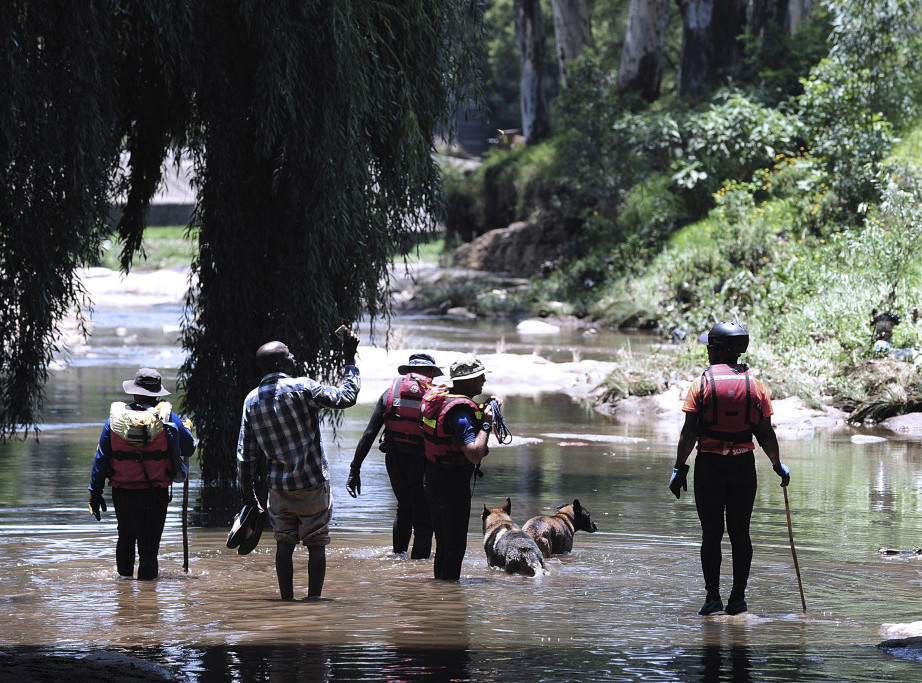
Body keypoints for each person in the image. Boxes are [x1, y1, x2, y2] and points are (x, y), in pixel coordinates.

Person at [670, 321, 790, 616]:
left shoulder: (701, 385)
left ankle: (713, 599)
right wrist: (776, 464)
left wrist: (679, 468)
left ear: (720, 350)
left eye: (710, 346)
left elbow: (689, 434)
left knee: (711, 534)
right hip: (743, 468)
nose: (707, 351)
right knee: (741, 533)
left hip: (710, 466)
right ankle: (737, 600)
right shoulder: (757, 386)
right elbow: (765, 433)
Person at [237, 331, 360, 600]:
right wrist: (349, 359)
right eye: (289, 354)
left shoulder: (251, 400)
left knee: (284, 541)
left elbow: (246, 455)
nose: (294, 357)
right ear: (281, 364)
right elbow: (347, 397)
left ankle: (287, 601)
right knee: (316, 542)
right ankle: (315, 600)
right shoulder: (303, 387)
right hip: (312, 483)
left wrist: (249, 495)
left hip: (278, 488)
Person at [87, 368, 196, 580]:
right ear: (157, 394)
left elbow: (101, 457)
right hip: (155, 493)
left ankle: (124, 592)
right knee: (149, 546)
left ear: (135, 393)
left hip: (123, 493)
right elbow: (189, 449)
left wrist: (95, 491)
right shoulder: (168, 418)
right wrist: (186, 430)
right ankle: (149, 602)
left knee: (125, 538)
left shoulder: (116, 420)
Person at [347, 353, 444, 559]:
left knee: (404, 507)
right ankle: (417, 573)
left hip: (395, 459)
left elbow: (368, 435)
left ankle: (397, 558)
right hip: (423, 461)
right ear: (429, 373)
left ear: (409, 372)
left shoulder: (389, 394)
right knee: (423, 517)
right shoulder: (436, 397)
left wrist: (354, 470)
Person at [420, 356, 500, 580]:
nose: (483, 379)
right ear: (467, 381)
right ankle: (448, 603)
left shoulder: (444, 399)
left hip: (432, 478)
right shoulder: (460, 411)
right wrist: (486, 423)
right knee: (454, 547)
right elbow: (474, 454)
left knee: (444, 544)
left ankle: (438, 594)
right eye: (479, 377)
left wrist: (484, 409)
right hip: (451, 484)